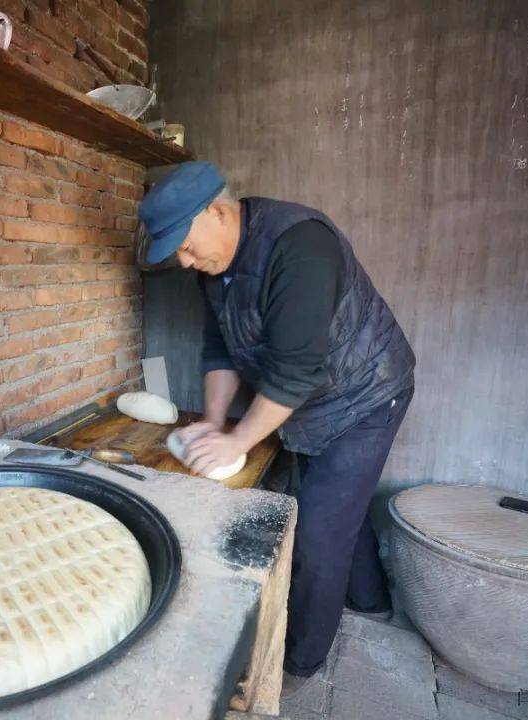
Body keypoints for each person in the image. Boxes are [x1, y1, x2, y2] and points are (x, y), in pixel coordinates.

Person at [137, 162, 416, 697]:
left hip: (367, 394)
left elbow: (293, 371)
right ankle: (371, 602)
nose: (184, 260)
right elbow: (221, 349)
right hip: (315, 399)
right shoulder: (215, 268)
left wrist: (238, 441)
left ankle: (302, 662)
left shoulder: (299, 246)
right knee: (337, 509)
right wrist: (215, 422)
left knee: (317, 531)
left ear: (216, 212)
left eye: (187, 246)